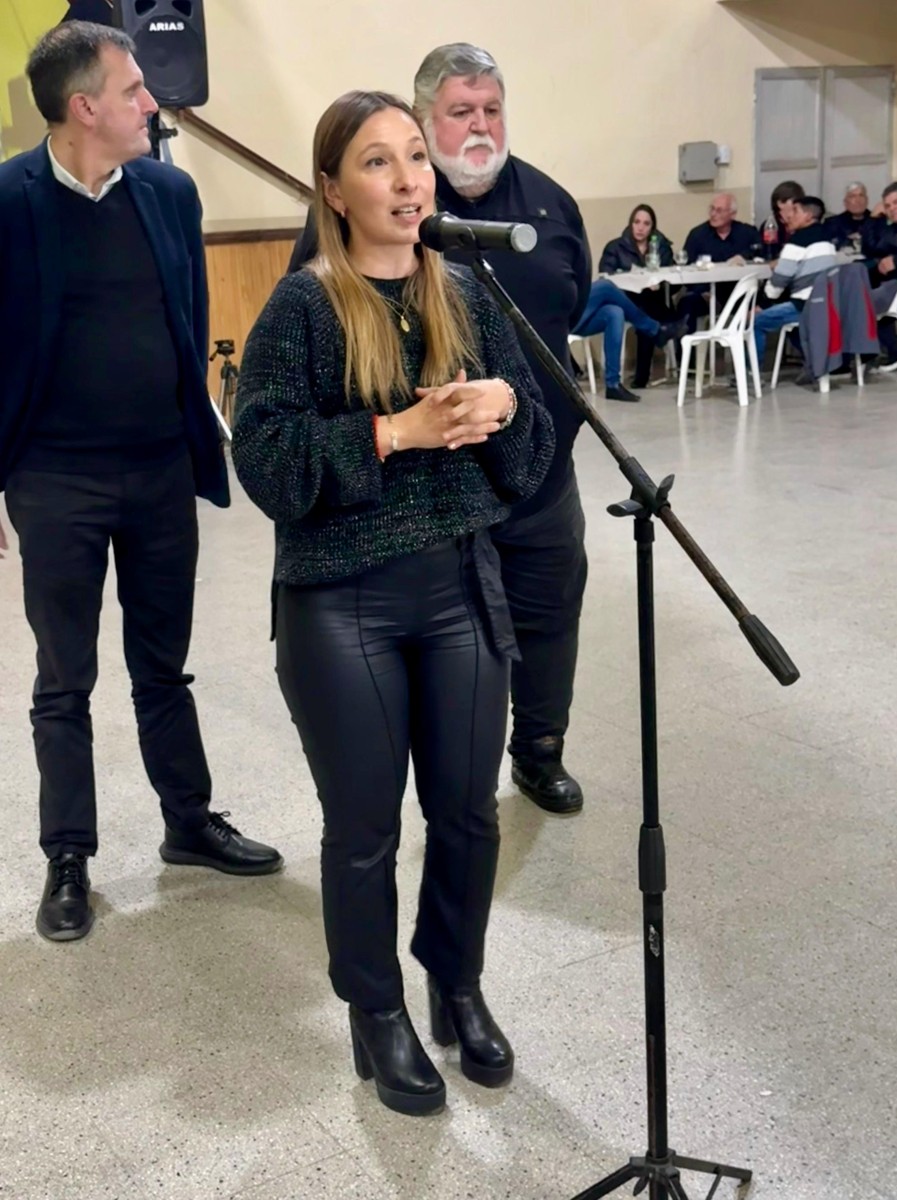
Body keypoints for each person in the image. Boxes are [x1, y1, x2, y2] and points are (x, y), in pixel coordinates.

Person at [232, 90, 554, 1115]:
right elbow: (268, 464)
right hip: (345, 606)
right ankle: (377, 1010)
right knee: (365, 825)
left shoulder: (465, 290)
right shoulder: (304, 306)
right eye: (379, 162)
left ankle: (456, 984)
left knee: (466, 815)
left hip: (462, 588)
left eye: (416, 156)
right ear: (333, 189)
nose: (409, 177)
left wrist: (505, 407)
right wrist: (389, 435)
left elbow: (534, 456)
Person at [0, 22, 282, 944]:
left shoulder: (168, 190)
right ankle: (69, 858)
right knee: (63, 678)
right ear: (85, 108)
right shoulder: (8, 200)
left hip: (160, 467)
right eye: (132, 91)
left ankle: (187, 822)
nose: (151, 104)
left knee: (163, 664)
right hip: (54, 480)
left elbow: (189, 318)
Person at [289, 43, 591, 815]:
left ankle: (540, 749)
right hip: (430, 494)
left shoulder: (551, 207)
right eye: (460, 112)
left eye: (491, 109)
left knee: (551, 610)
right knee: (459, 645)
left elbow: (574, 308)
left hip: (538, 470)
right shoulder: (366, 226)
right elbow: (313, 347)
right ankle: (458, 768)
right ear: (427, 118)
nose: (480, 125)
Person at [598, 203, 678, 388]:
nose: (640, 227)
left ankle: (646, 374)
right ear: (631, 224)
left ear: (652, 227)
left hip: (655, 299)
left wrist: (661, 284)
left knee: (651, 310)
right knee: (647, 312)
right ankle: (662, 333)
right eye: (637, 222)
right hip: (626, 300)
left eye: (646, 223)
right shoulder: (616, 247)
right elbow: (605, 276)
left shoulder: (662, 247)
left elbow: (674, 282)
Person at [753, 195, 838, 370]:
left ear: (808, 216)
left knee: (755, 322)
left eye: (795, 211)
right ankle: (816, 363)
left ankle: (750, 373)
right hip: (828, 305)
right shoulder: (828, 240)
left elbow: (779, 280)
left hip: (804, 306)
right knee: (792, 327)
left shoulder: (798, 242)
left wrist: (762, 305)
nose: (790, 216)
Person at [680, 193, 759, 330]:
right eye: (712, 209)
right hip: (707, 294)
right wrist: (702, 290)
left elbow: (760, 252)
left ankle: (743, 350)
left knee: (757, 306)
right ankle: (686, 350)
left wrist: (744, 257)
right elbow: (687, 269)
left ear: (732, 214)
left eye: (719, 210)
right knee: (686, 304)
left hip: (738, 294)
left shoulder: (747, 233)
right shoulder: (697, 235)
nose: (713, 214)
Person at [866, 181, 897, 365]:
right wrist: (873, 219)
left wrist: (895, 260)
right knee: (859, 297)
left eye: (896, 203)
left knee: (862, 304)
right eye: (888, 206)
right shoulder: (892, 228)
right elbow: (871, 248)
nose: (892, 208)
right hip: (889, 282)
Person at [823, 181, 876, 248]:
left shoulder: (877, 221)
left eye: (861, 195)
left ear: (867, 200)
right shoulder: (832, 223)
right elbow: (828, 246)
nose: (858, 200)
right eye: (852, 196)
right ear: (845, 202)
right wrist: (848, 239)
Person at [760, 179, 805, 250]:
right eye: (794, 201)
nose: (798, 205)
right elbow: (768, 251)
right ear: (780, 203)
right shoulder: (770, 226)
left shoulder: (803, 223)